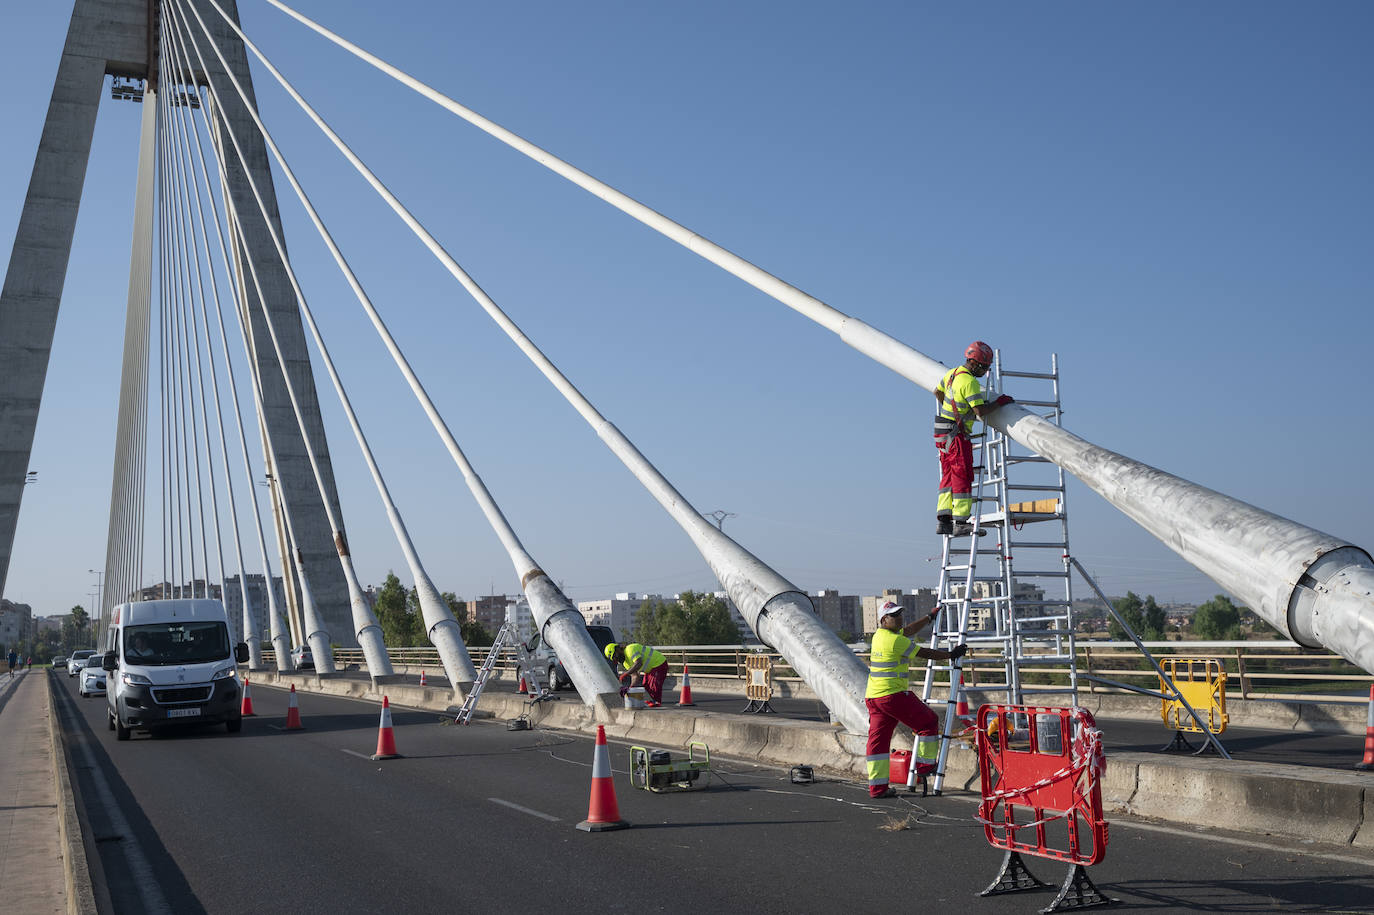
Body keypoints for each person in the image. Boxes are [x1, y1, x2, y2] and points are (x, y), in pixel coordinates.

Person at [865, 600, 967, 798]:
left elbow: (909, 629)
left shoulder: (880, 635)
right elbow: (925, 653)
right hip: (892, 696)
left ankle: (877, 788)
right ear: (884, 619)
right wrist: (951, 655)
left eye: (900, 614)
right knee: (928, 722)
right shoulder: (895, 641)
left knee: (878, 742)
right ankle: (924, 766)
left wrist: (929, 618)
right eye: (895, 615)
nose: (900, 618)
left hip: (874, 697)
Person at [934, 341, 1015, 537]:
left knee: (948, 475)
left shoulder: (952, 373)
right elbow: (980, 411)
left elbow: (938, 392)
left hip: (941, 431)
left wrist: (956, 408)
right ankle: (961, 521)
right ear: (978, 364)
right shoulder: (969, 382)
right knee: (962, 474)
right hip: (956, 434)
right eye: (986, 367)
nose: (985, 371)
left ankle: (944, 521)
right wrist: (999, 403)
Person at [604, 642, 669, 707]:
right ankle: (654, 702)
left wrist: (626, 674)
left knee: (653, 684)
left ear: (618, 649)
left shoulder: (630, 649)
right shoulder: (625, 663)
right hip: (651, 668)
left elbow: (639, 663)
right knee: (646, 684)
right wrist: (630, 689)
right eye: (614, 658)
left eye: (615, 655)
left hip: (659, 663)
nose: (616, 658)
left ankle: (656, 702)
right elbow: (635, 676)